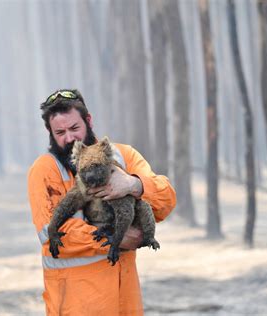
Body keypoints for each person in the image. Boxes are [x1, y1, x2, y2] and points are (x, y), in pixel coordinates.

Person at [27, 89, 176, 315]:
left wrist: (134, 185)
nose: (69, 138)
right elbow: (50, 232)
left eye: (75, 128)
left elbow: (166, 201)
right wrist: (114, 239)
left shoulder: (123, 156)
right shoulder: (45, 170)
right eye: (60, 132)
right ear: (50, 132)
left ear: (89, 120)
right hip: (75, 306)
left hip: (125, 302)